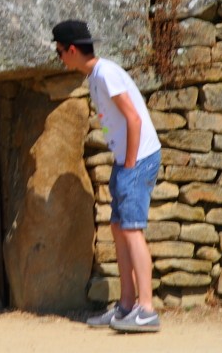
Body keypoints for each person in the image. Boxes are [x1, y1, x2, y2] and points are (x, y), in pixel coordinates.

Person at [52, 19, 162, 333]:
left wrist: (128, 165)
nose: (60, 58)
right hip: (128, 159)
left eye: (60, 52)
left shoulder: (106, 73)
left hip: (137, 159)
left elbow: (134, 119)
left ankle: (146, 308)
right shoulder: (96, 75)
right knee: (118, 227)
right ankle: (127, 305)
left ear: (71, 50)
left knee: (131, 230)